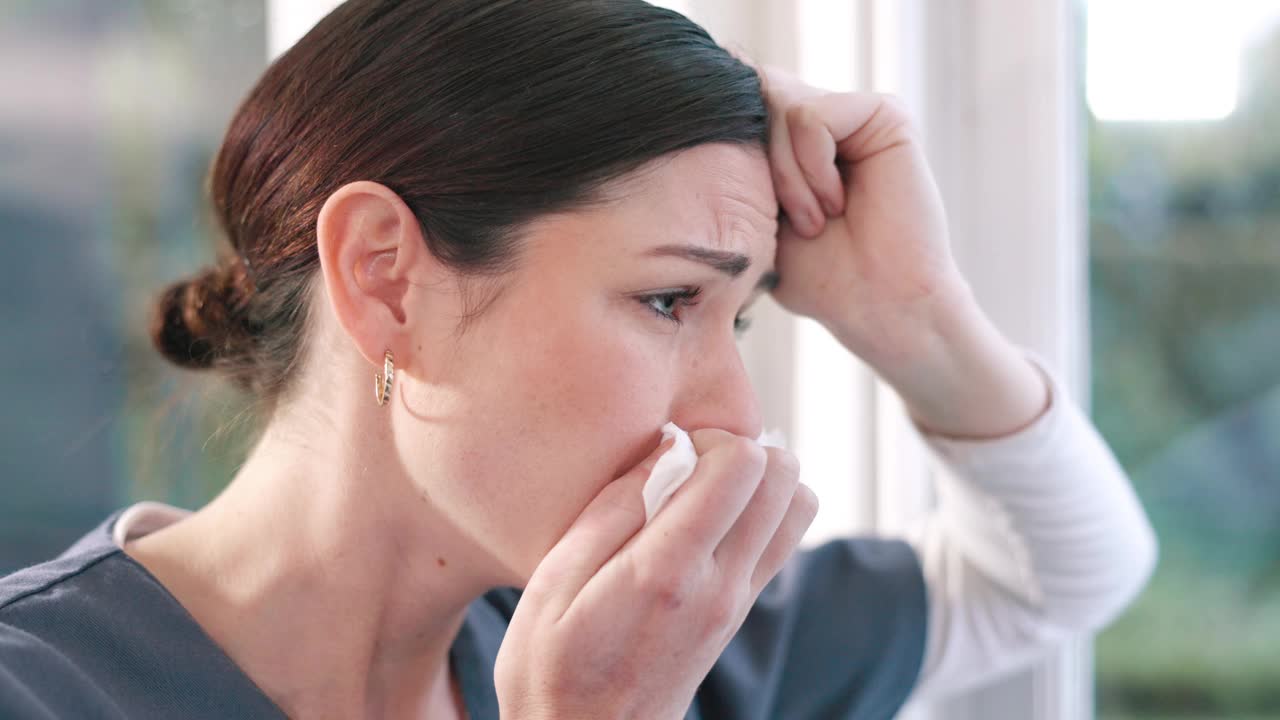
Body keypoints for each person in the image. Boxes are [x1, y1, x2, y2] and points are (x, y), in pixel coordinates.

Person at [0, 1, 1158, 718]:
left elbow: (1055, 573)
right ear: (384, 276)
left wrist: (915, 314)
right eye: (667, 300)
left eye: (739, 317)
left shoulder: (652, 644)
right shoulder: (40, 690)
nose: (733, 416)